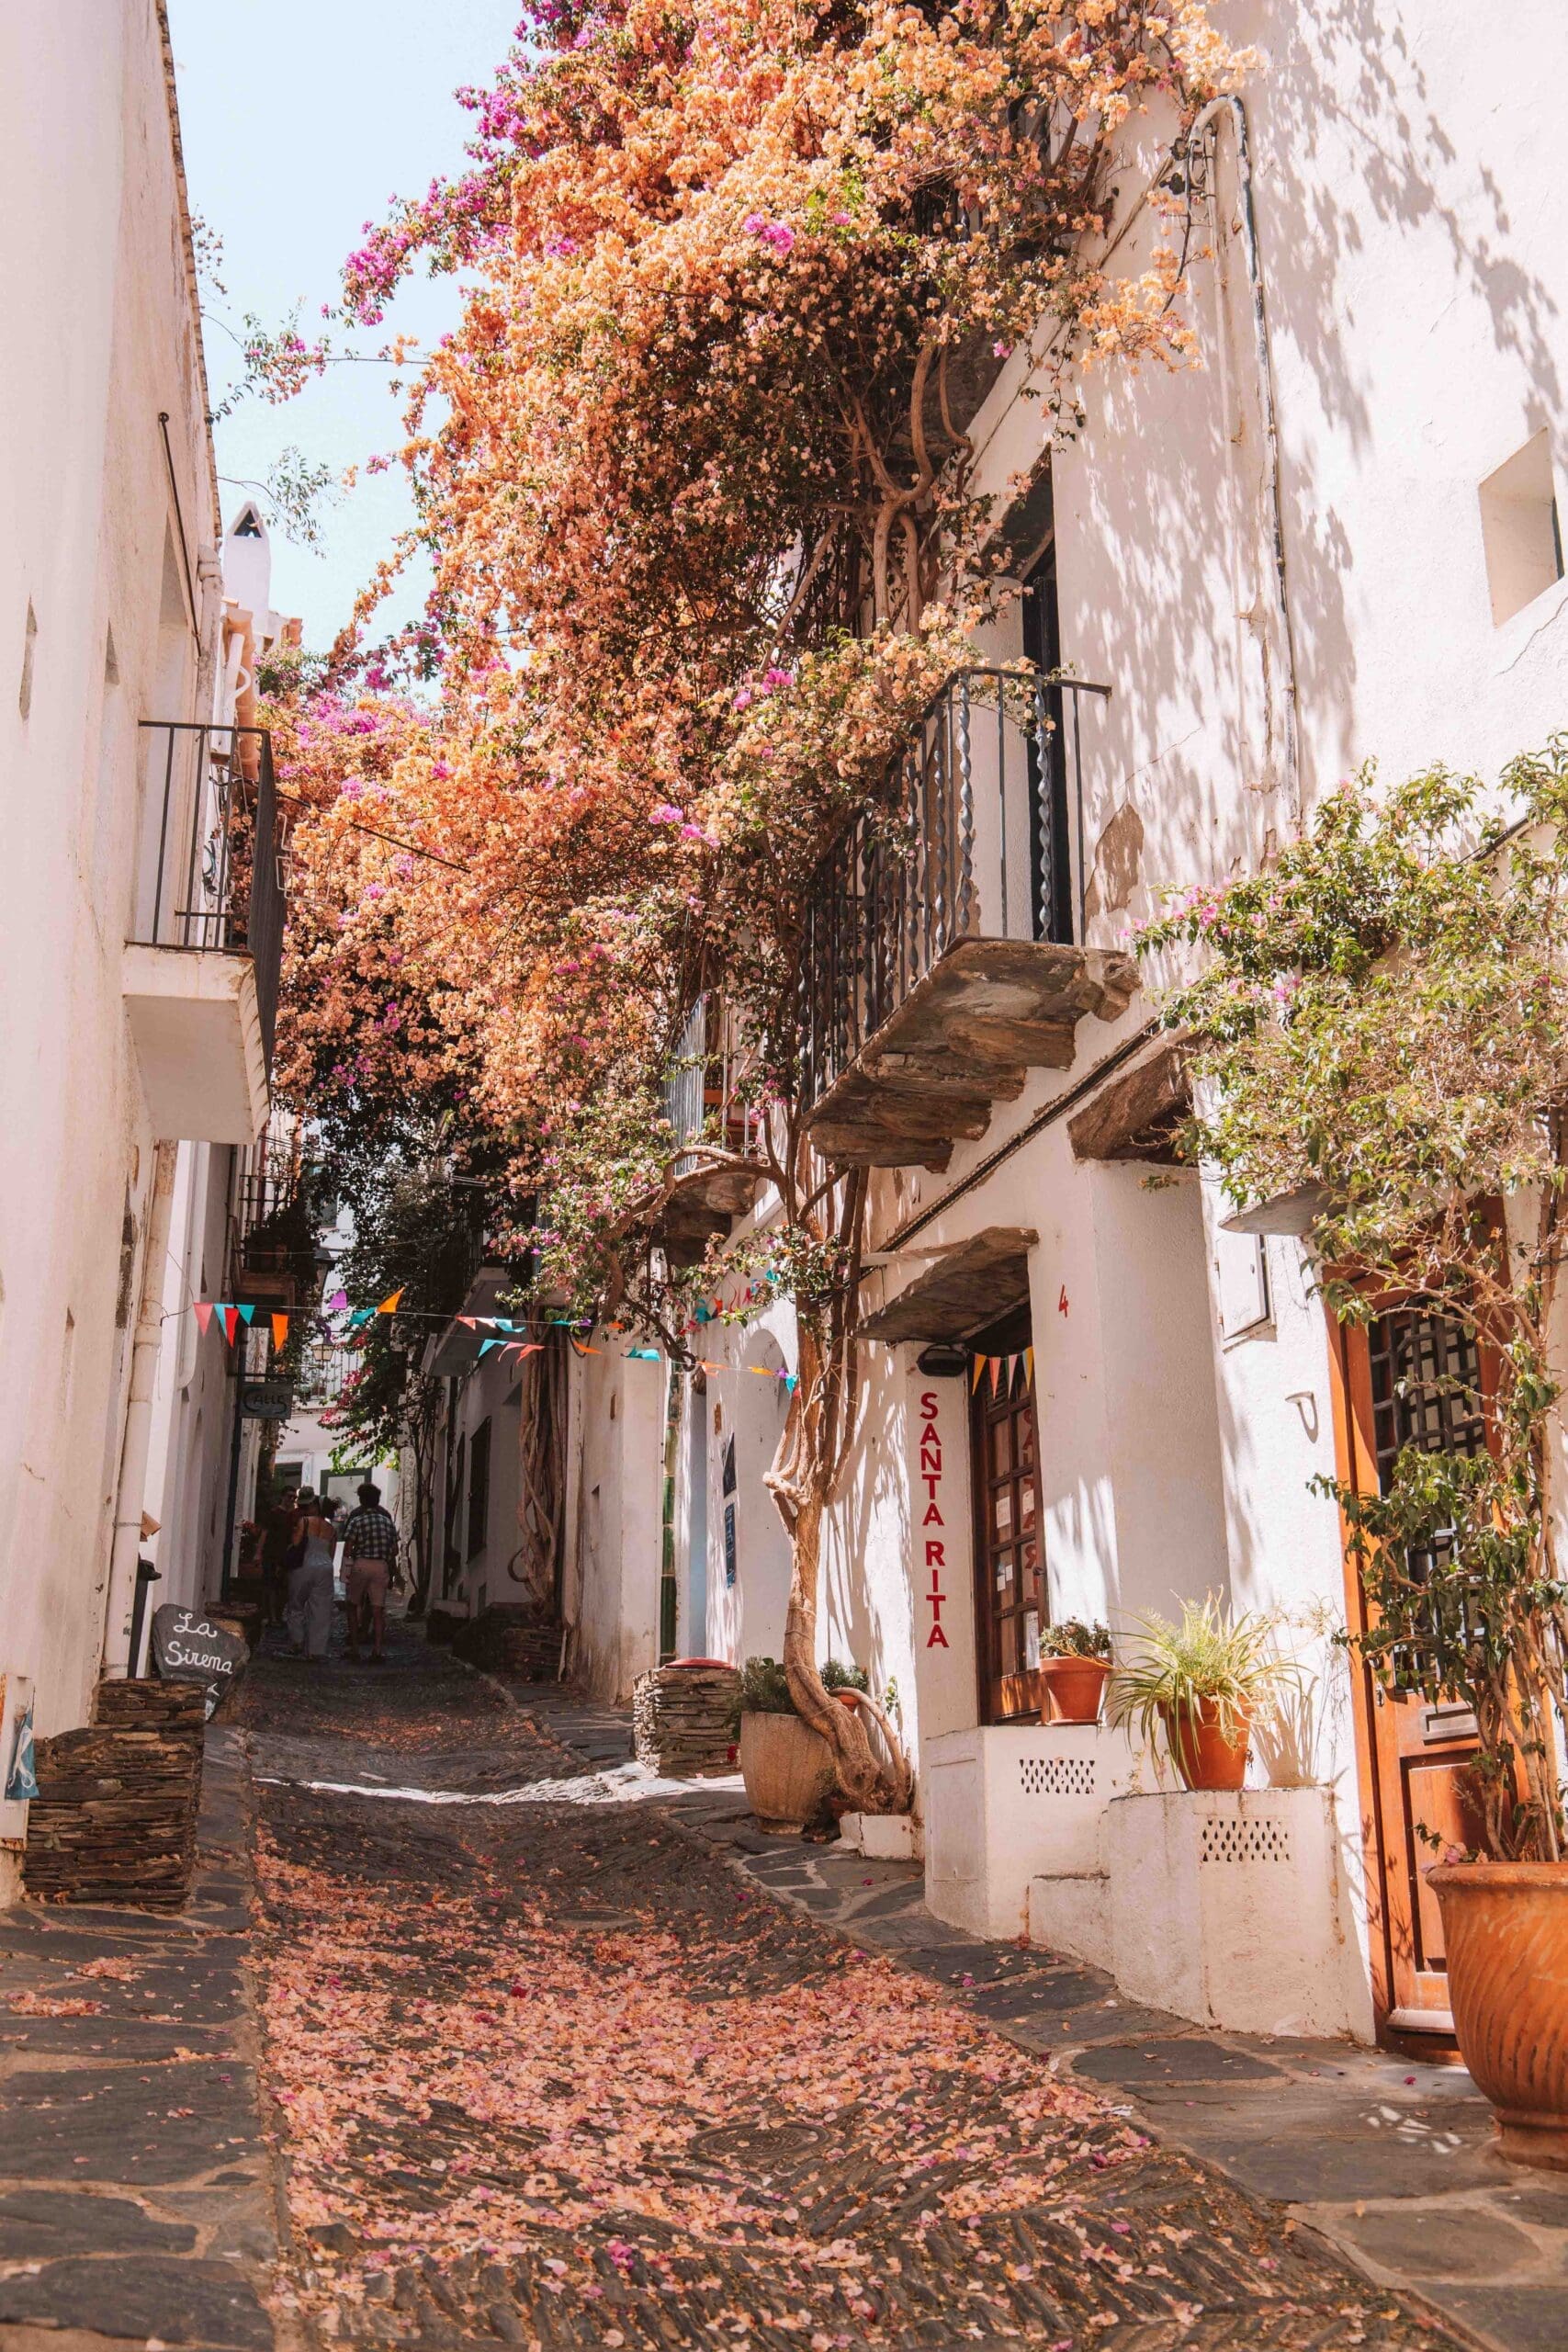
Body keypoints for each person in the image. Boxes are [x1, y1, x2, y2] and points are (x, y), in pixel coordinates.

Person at [338, 1481, 400, 1662]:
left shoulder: (357, 1520)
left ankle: (355, 1648)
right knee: (378, 1609)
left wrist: (348, 1564)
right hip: (381, 1566)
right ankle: (378, 1650)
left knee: (352, 1604)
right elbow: (395, 1550)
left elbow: (348, 1549)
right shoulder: (387, 1521)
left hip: (362, 1563)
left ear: (362, 1500)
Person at [285, 1491, 338, 1661]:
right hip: (325, 1566)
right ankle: (317, 1650)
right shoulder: (332, 1529)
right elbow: (332, 1553)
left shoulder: (305, 1521)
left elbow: (296, 1543)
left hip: (305, 1565)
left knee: (296, 1604)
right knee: (321, 1609)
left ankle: (297, 1642)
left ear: (316, 1507)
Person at [259, 1487, 299, 1628]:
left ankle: (279, 1615)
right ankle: (272, 1617)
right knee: (271, 1587)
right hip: (271, 1554)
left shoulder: (294, 1516)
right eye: (289, 1496)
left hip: (287, 1556)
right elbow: (264, 1533)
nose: (292, 1500)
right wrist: (258, 1553)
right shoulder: (274, 1513)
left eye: (294, 1498)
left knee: (284, 1588)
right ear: (282, 1496)